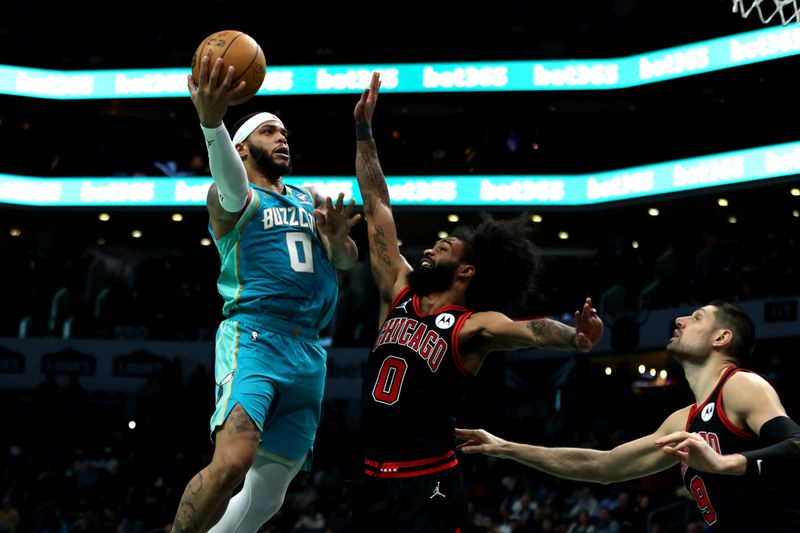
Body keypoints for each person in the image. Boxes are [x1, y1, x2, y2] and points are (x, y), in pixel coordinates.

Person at [351, 71, 604, 533]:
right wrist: (364, 131)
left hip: (428, 479)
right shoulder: (400, 288)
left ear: (466, 271)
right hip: (369, 476)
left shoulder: (472, 325)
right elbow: (376, 203)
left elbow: (532, 330)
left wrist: (576, 337)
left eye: (443, 247)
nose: (428, 250)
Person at [171, 53, 360, 532]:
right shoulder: (231, 198)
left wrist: (338, 240)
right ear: (241, 145)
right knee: (233, 461)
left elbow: (345, 261)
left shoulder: (310, 197)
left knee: (269, 493)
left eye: (284, 134)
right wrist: (212, 124)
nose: (282, 139)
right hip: (255, 338)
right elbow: (231, 186)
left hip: (309, 349)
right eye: (269, 131)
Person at [457, 300, 800, 532]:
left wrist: (725, 464)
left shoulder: (740, 385)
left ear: (722, 338)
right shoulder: (683, 421)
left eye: (696, 318)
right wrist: (505, 448)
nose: (680, 320)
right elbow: (604, 467)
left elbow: (796, 445)